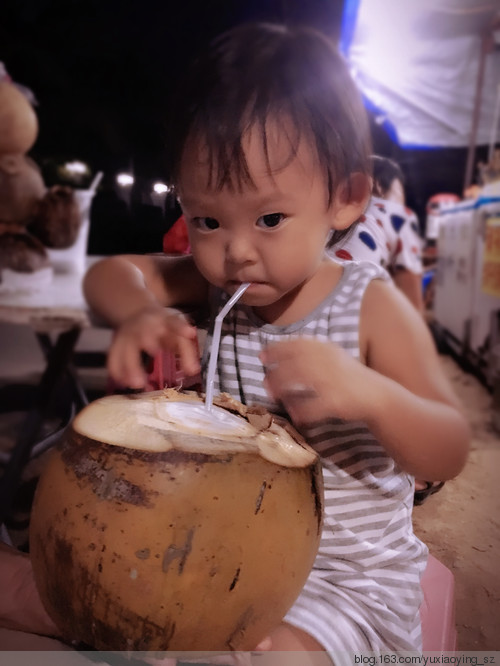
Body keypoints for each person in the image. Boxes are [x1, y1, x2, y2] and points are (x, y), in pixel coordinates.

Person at [80, 23, 471, 661]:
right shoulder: (217, 290)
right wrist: (133, 314)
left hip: (346, 583)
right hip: (227, 555)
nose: (235, 252)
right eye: (206, 220)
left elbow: (448, 448)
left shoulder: (368, 306)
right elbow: (111, 274)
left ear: (344, 199)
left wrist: (369, 394)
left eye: (269, 219)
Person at [331, 155, 425, 313]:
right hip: (346, 319)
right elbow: (413, 305)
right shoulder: (398, 215)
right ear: (379, 186)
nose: (402, 200)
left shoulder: (333, 212)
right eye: (399, 191)